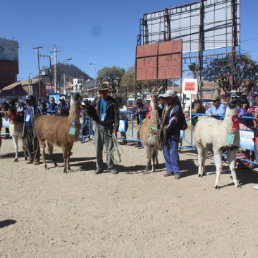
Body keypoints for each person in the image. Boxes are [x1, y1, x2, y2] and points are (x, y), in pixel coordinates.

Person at [87, 84, 119, 175]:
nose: (102, 93)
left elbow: (117, 117)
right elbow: (90, 112)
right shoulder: (96, 101)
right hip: (98, 127)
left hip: (109, 127)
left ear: (107, 92)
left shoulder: (112, 102)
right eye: (101, 91)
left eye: (104, 91)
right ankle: (99, 167)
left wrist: (115, 129)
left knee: (110, 149)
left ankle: (110, 167)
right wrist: (88, 108)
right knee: (98, 149)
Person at [159, 90, 182, 179]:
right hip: (165, 133)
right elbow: (162, 116)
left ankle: (177, 171)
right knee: (166, 152)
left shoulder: (176, 108)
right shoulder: (165, 107)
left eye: (167, 98)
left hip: (173, 134)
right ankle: (169, 169)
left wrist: (161, 131)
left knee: (173, 152)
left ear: (172, 98)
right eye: (164, 98)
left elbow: (172, 122)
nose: (165, 100)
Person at [22, 94, 41, 165]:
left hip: (34, 129)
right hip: (27, 129)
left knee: (35, 144)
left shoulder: (37, 108)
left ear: (32, 101)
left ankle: (37, 159)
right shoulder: (27, 109)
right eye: (27, 101)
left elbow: (41, 118)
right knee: (28, 144)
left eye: (29, 100)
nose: (27, 102)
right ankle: (31, 158)